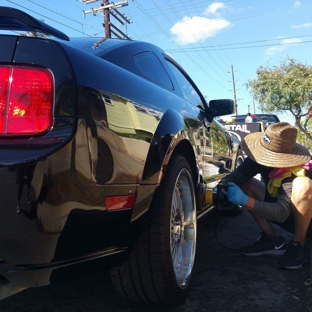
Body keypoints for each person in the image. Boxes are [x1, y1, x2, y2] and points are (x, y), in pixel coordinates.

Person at [222, 122, 312, 270]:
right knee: (247, 184)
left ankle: (298, 245)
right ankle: (273, 240)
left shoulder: (294, 171)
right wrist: (219, 190)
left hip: (305, 221)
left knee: (303, 184)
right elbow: (234, 178)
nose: (264, 159)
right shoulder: (258, 158)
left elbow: (281, 213)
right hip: (283, 211)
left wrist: (245, 201)